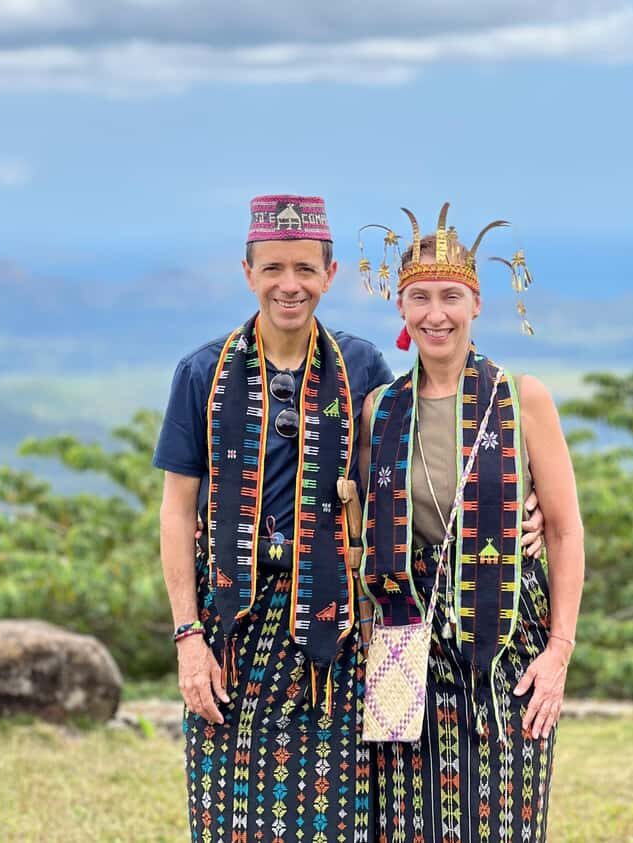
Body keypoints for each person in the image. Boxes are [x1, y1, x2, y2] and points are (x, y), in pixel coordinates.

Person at [153, 194, 547, 843]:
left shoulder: (360, 367)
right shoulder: (202, 373)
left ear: (329, 276)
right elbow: (175, 512)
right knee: (227, 816)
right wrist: (188, 636)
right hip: (231, 622)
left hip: (336, 624)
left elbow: (417, 444)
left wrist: (520, 503)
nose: (290, 284)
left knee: (342, 815)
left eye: (305, 269)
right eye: (274, 267)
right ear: (247, 271)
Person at [358, 204, 585, 842]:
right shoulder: (382, 408)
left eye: (451, 296)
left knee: (506, 818)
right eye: (420, 297)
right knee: (405, 821)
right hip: (406, 634)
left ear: (477, 303)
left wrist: (559, 653)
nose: (436, 313)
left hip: (509, 625)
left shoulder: (522, 397)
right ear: (401, 310)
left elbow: (565, 530)